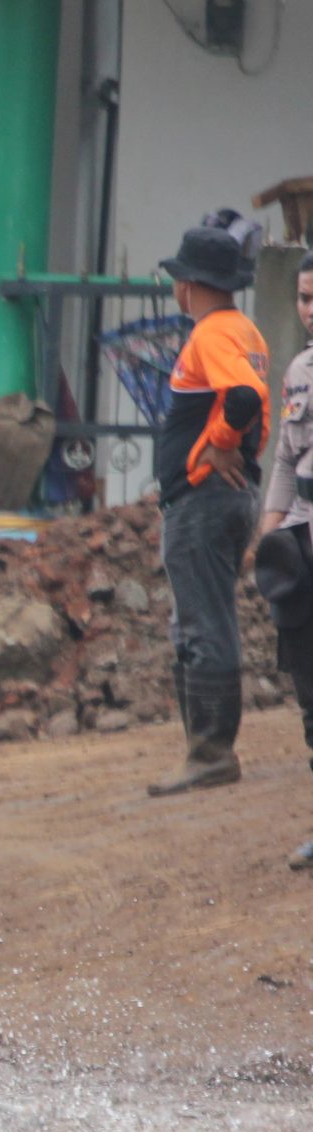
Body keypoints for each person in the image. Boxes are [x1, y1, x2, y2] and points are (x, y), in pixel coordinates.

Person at [150, 217, 271, 797]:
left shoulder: (213, 334)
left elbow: (246, 396)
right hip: (219, 496)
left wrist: (220, 443)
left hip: (203, 498)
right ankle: (204, 749)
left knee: (203, 622)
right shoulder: (245, 330)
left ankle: (210, 752)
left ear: (188, 284)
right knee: (202, 618)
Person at [255, 249, 313, 864]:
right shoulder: (299, 369)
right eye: (303, 298)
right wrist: (271, 528)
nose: (309, 311)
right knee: (310, 689)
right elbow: (284, 459)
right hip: (300, 540)